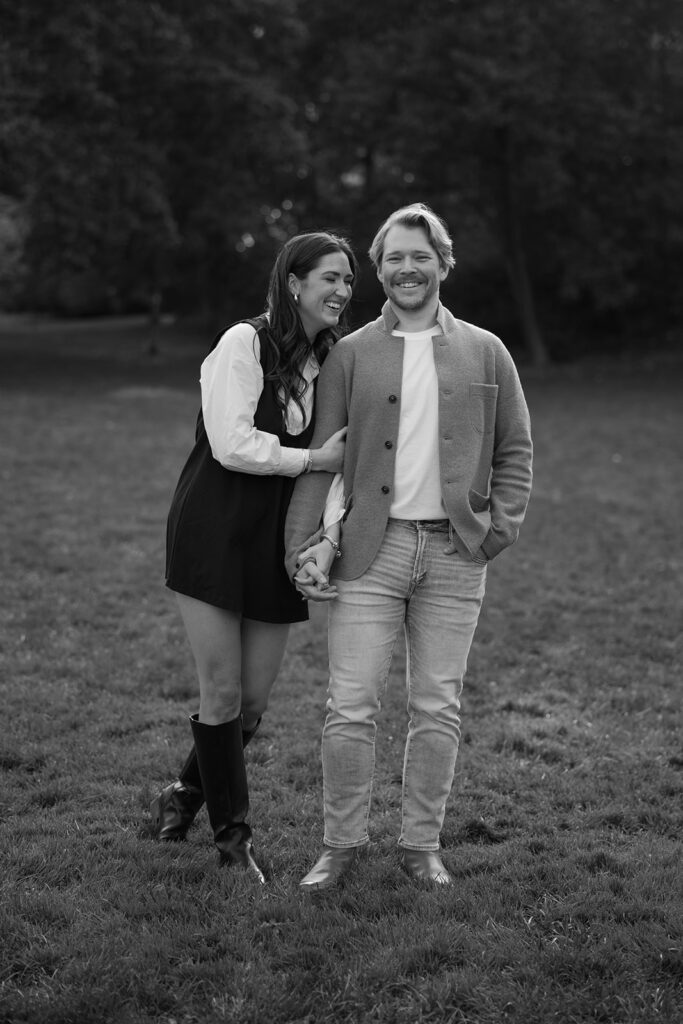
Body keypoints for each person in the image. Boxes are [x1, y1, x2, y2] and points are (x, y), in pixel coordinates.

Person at [285, 203, 533, 890]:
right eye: (393, 257)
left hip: (455, 556)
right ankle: (340, 845)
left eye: (420, 256)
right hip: (370, 552)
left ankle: (422, 845)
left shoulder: (486, 350)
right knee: (350, 705)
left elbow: (515, 450)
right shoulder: (351, 354)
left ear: (442, 264)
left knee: (436, 707)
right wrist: (303, 546)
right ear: (379, 268)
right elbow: (324, 460)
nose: (406, 268)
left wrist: (497, 530)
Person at [150, 231, 358, 883]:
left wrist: (325, 535)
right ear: (293, 283)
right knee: (221, 690)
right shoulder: (243, 343)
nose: (342, 290)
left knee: (253, 703)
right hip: (213, 527)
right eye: (330, 277)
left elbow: (340, 464)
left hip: (275, 538)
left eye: (348, 280)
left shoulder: (332, 361)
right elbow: (231, 444)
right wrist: (313, 458)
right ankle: (233, 842)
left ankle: (182, 794)